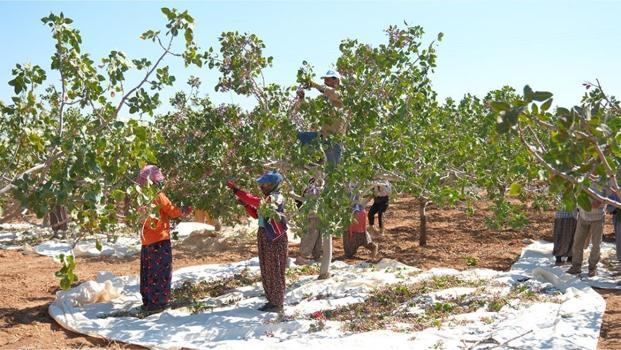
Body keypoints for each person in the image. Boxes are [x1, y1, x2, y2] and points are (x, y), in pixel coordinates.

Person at [227, 171, 288, 312]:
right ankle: (272, 300)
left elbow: (257, 203)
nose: (262, 187)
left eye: (265, 185)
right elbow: (256, 215)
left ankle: (277, 302)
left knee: (275, 269)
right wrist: (246, 205)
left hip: (274, 238)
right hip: (265, 235)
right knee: (267, 268)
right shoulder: (268, 199)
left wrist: (237, 191)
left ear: (273, 185)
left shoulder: (276, 198)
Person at [137, 165, 191, 312]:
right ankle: (158, 303)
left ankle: (148, 302)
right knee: (160, 272)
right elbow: (172, 212)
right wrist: (185, 210)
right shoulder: (158, 196)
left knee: (148, 272)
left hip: (146, 241)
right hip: (160, 240)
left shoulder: (140, 196)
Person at [295, 69, 346, 167]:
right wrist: (301, 98)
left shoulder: (341, 95)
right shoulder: (324, 100)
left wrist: (313, 84)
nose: (325, 82)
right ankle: (315, 161)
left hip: (334, 141)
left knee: (332, 172)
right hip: (323, 137)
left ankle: (319, 162)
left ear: (337, 81)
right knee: (302, 136)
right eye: (325, 80)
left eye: (328, 80)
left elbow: (329, 91)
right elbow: (311, 109)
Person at [290, 176, 333, 280]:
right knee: (310, 235)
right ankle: (303, 257)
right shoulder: (313, 188)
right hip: (312, 215)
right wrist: (294, 195)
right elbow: (308, 200)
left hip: (317, 215)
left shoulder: (315, 186)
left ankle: (316, 256)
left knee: (317, 236)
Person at [567, 187, 606, 277]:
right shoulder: (582, 178)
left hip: (597, 217)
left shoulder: (603, 179)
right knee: (577, 241)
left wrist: (600, 202)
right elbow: (575, 194)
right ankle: (576, 266)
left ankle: (592, 268)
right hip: (583, 216)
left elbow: (609, 197)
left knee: (596, 244)